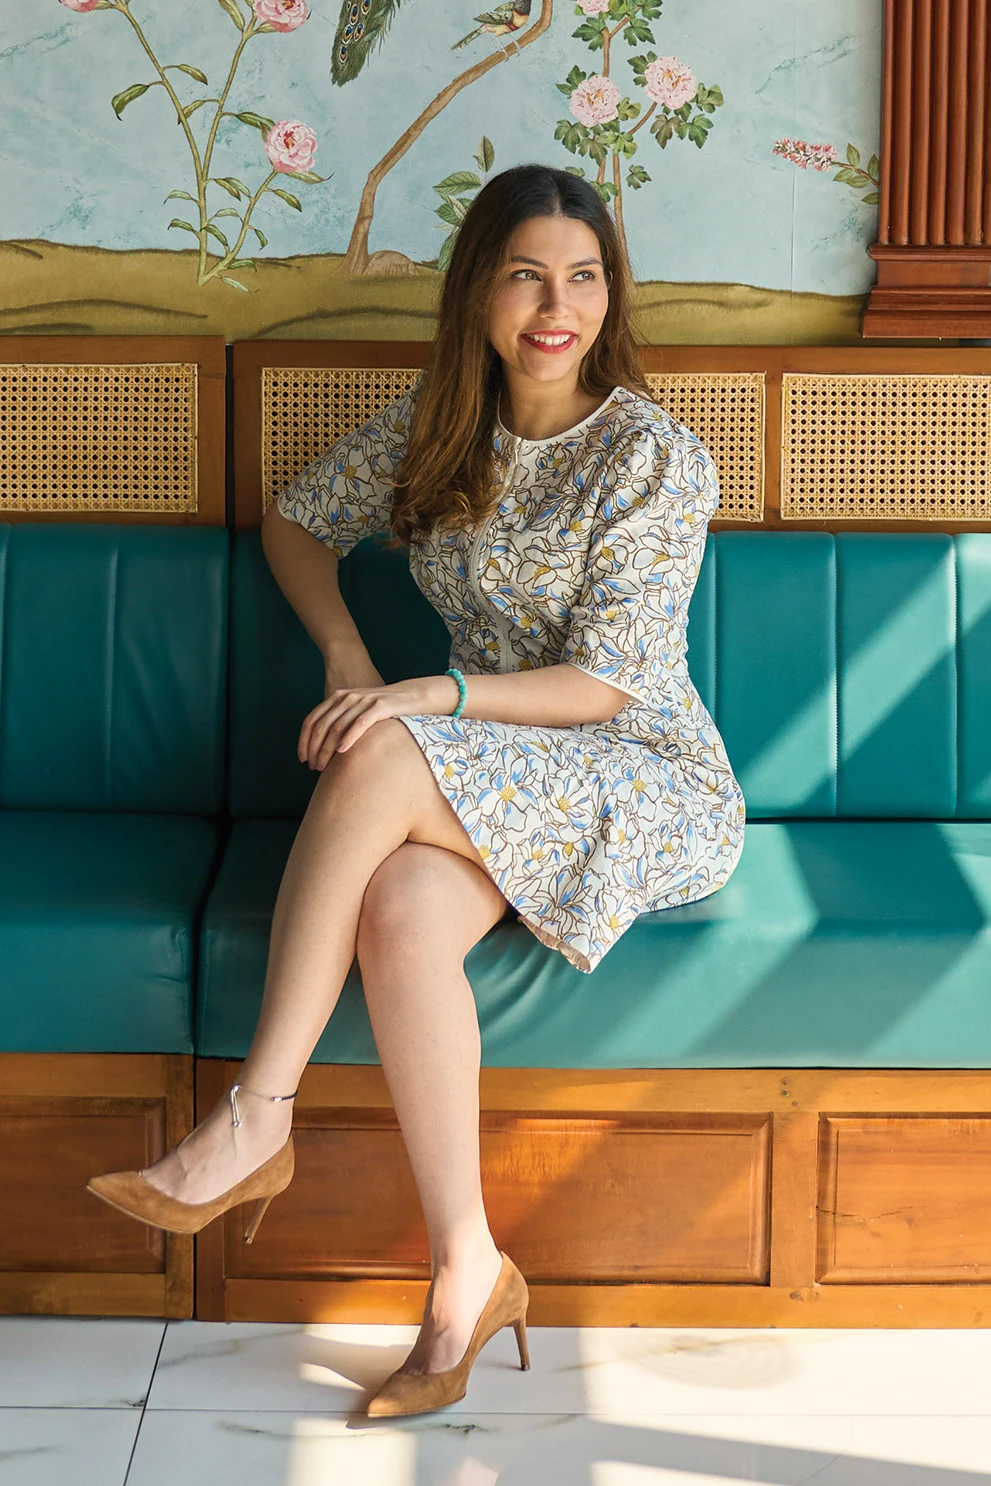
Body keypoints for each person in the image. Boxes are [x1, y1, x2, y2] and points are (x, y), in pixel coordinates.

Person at [86, 162, 746, 1418]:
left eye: (585, 276)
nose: (559, 306)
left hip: (635, 774)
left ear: (612, 294)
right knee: (394, 908)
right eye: (526, 274)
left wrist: (418, 699)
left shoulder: (655, 454)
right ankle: (467, 1271)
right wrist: (348, 656)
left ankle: (254, 1119)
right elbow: (294, 524)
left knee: (378, 749)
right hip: (484, 763)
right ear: (479, 293)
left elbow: (608, 685)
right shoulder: (438, 427)